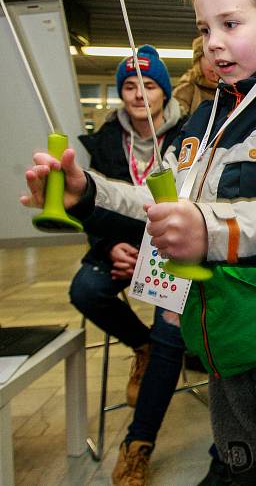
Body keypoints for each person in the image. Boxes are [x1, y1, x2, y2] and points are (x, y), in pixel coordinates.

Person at [24, 0, 256, 485]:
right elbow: (165, 202)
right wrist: (87, 191)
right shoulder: (206, 118)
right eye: (206, 28)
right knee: (240, 469)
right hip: (223, 340)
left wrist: (209, 229)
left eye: (230, 23)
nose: (214, 42)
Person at [70, 45, 188, 485]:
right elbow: (94, 204)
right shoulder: (103, 141)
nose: (139, 93)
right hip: (120, 245)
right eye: (130, 85)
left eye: (149, 84)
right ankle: (143, 346)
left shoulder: (190, 132)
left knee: (171, 326)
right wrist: (109, 249)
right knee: (85, 289)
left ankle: (138, 443)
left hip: (169, 247)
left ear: (164, 91)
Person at [172, 35, 218, 115]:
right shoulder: (186, 91)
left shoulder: (234, 91)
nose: (214, 63)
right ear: (198, 62)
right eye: (208, 57)